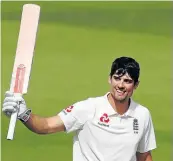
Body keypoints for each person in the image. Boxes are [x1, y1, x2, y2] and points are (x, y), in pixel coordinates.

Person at [2, 56, 156, 161]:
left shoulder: (142, 115)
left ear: (135, 85)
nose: (121, 85)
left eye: (127, 81)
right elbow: (46, 126)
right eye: (117, 78)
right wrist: (24, 114)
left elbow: (144, 155)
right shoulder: (88, 108)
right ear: (109, 78)